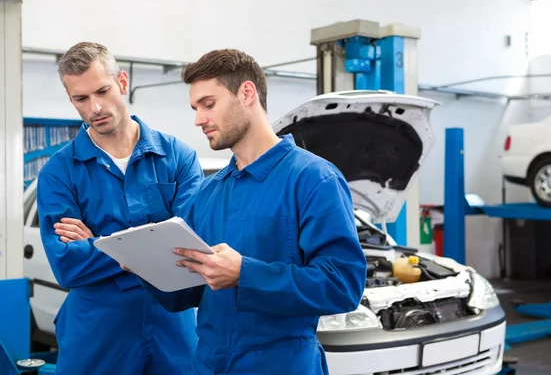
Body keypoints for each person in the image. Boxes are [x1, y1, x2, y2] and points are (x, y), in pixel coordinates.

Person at [137, 48, 368, 374]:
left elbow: (342, 285)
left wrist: (245, 274)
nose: (198, 119)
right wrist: (144, 264)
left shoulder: (313, 179)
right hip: (209, 364)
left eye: (208, 104)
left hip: (281, 365)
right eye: (195, 107)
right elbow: (184, 293)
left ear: (247, 93)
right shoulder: (208, 192)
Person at [36, 41, 202, 375]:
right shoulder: (59, 173)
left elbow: (193, 246)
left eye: (103, 91)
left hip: (173, 326)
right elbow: (68, 265)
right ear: (71, 99)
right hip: (97, 334)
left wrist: (99, 241)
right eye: (81, 99)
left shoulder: (178, 157)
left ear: (122, 83)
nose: (95, 107)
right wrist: (154, 244)